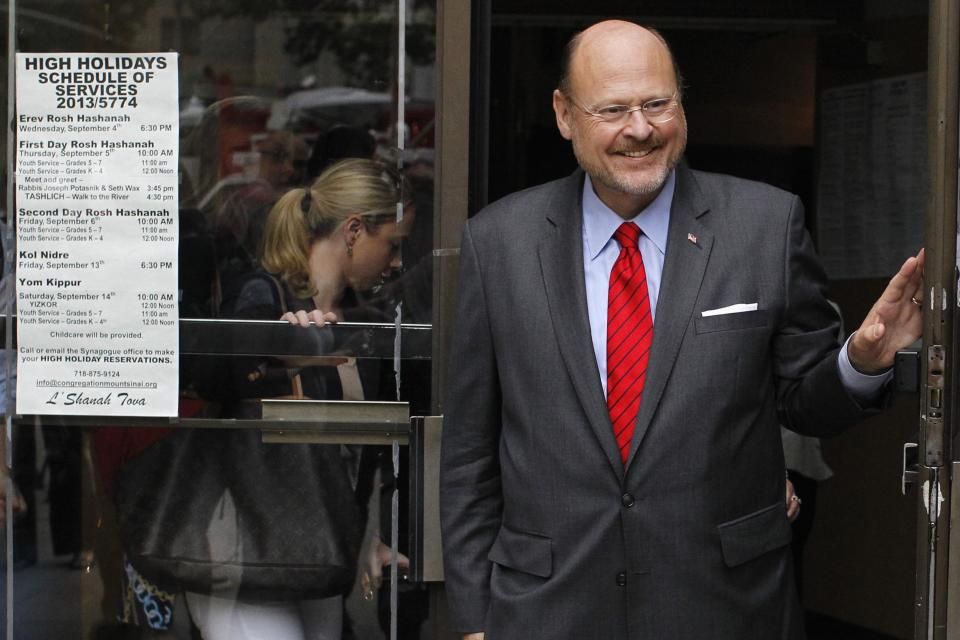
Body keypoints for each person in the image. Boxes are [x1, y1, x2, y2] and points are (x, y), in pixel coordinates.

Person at [439, 20, 924, 640]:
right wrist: (476, 618)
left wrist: (862, 361)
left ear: (682, 103)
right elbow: (470, 453)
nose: (640, 129)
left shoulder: (764, 225)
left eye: (657, 104)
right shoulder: (499, 242)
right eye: (612, 109)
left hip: (724, 604)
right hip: (546, 608)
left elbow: (805, 401)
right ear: (564, 115)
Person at [184, 158, 413, 640]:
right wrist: (281, 352)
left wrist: (370, 534)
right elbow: (214, 377)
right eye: (390, 245)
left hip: (317, 553)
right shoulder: (263, 297)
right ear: (353, 231)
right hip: (251, 555)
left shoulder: (358, 323)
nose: (396, 262)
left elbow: (355, 449)